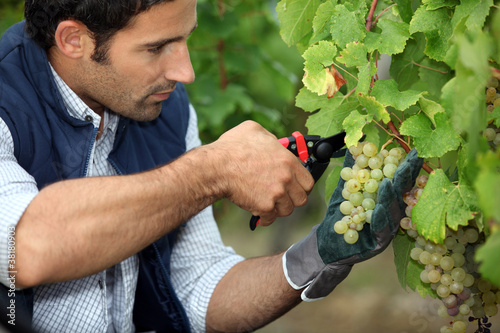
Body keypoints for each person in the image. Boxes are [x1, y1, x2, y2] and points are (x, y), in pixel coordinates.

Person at [0, 1, 423, 332]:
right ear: (74, 39)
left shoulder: (164, 109)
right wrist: (211, 171)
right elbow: (27, 247)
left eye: (185, 38)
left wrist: (318, 256)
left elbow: (197, 288)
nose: (184, 72)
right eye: (156, 47)